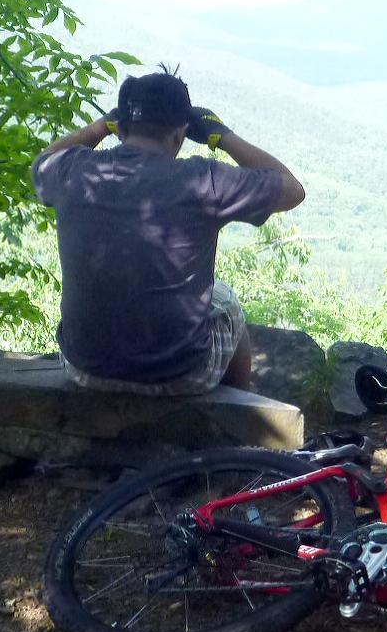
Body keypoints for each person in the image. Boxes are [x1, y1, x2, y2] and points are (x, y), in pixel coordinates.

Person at [31, 70, 305, 394]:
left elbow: (41, 162)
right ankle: (233, 421)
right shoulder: (202, 180)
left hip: (83, 368)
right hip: (179, 375)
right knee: (227, 301)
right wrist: (221, 135)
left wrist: (100, 126)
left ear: (120, 130)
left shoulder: (74, 170)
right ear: (180, 136)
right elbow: (292, 190)